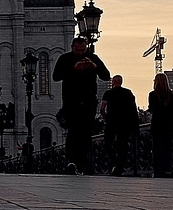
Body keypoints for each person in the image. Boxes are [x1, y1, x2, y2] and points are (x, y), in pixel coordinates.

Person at [51, 38, 110, 174]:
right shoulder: (65, 59)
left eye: (83, 50)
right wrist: (74, 69)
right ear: (72, 47)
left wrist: (94, 67)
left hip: (89, 101)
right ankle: (72, 162)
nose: (80, 53)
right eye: (77, 50)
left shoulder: (92, 58)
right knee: (73, 131)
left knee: (86, 132)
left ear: (86, 47)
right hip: (71, 101)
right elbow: (56, 76)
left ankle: (84, 163)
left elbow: (106, 76)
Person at [100, 74, 140, 176]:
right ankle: (120, 167)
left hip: (111, 122)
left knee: (108, 143)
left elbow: (102, 109)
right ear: (121, 82)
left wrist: (106, 117)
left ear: (113, 82)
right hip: (124, 123)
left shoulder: (108, 93)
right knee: (123, 145)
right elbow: (133, 109)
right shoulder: (128, 93)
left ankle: (113, 163)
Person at [148, 73, 173, 177]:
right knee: (169, 148)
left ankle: (159, 171)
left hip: (157, 125)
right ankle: (170, 169)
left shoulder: (153, 94)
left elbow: (152, 109)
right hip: (169, 125)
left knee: (157, 149)